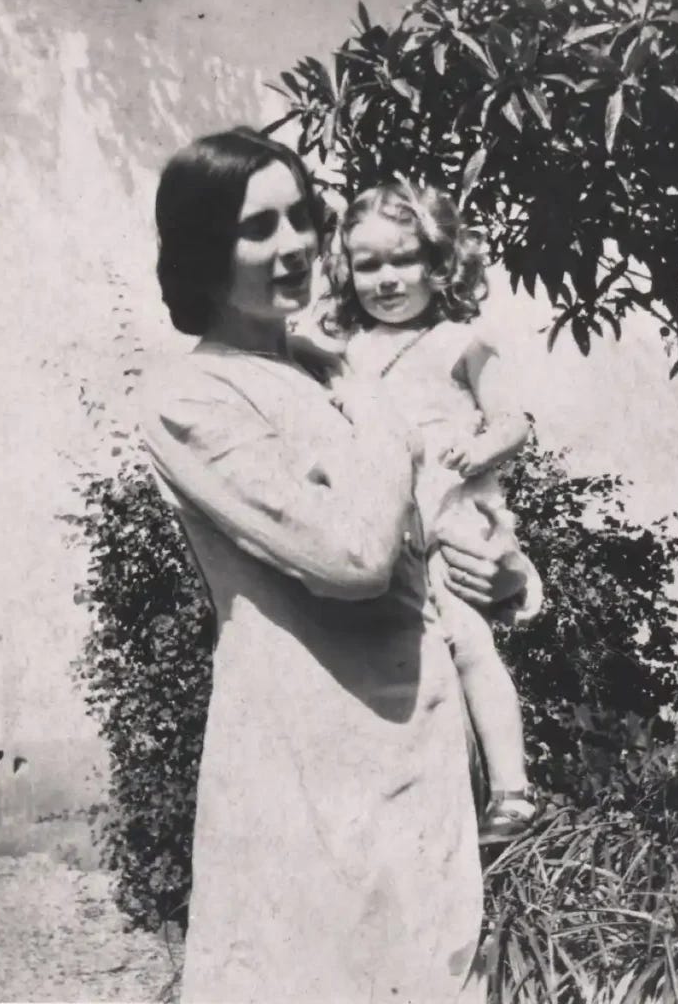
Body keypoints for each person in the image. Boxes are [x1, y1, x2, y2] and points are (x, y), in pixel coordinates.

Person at [142, 127, 522, 1003]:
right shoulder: (192, 398)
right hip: (305, 768)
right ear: (202, 251)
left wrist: (504, 578)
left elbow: (424, 535)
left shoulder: (328, 366)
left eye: (301, 218)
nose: (295, 247)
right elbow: (348, 557)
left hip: (422, 752)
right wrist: (378, 405)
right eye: (257, 228)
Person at [317, 179, 542, 845]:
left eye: (402, 259)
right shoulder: (347, 354)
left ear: (439, 263)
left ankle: (511, 791)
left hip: (447, 520)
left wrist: (475, 450)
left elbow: (514, 422)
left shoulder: (459, 341)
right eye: (368, 264)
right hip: (380, 526)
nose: (386, 279)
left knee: (469, 644)